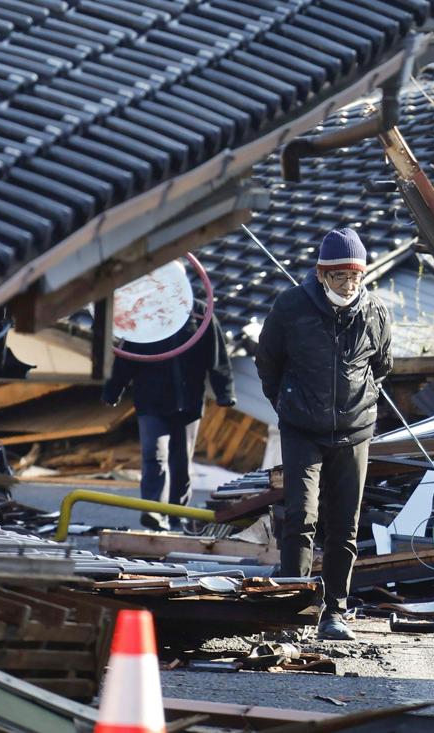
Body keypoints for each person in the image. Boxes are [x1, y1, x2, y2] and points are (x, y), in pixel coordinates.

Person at [255, 227, 393, 641]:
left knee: (345, 523)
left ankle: (336, 611)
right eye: (339, 276)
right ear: (320, 273)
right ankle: (292, 609)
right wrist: (287, 404)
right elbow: (268, 364)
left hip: (355, 430)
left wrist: (360, 405)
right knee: (300, 516)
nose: (348, 284)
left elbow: (382, 366)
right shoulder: (291, 307)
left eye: (355, 276)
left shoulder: (375, 312)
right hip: (302, 429)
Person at [102, 300, 236, 530]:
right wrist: (114, 390)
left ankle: (177, 512)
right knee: (154, 456)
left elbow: (217, 354)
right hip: (151, 400)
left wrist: (225, 392)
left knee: (181, 461)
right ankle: (154, 510)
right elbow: (126, 355)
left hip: (189, 400)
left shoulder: (199, 313)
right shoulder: (145, 312)